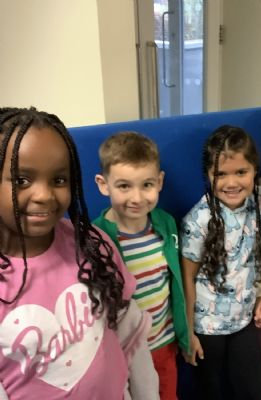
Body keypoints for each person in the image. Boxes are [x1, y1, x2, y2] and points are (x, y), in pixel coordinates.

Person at [0, 107, 159, 400]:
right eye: (22, 180)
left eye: (59, 180)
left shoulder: (92, 244)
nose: (44, 195)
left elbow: (130, 336)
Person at [180, 125, 261, 400]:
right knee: (211, 391)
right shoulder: (198, 220)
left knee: (253, 390)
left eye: (241, 172)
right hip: (206, 324)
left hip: (244, 318)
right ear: (208, 175)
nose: (231, 182)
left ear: (255, 170)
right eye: (220, 174)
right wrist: (188, 333)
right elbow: (187, 278)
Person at [93, 131, 189, 400]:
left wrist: (185, 335)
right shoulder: (96, 238)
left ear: (159, 182)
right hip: (123, 350)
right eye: (124, 186)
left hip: (163, 343)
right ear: (103, 185)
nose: (136, 198)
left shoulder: (166, 224)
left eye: (146, 185)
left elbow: (175, 284)